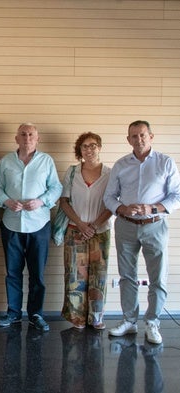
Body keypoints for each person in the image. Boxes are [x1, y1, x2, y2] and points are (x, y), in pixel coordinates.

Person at [104, 120, 180, 345]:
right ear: (128, 140)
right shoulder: (120, 165)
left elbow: (176, 195)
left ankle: (153, 322)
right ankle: (129, 320)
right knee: (127, 276)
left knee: (158, 277)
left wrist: (153, 208)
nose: (139, 139)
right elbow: (108, 197)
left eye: (143, 135)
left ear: (151, 136)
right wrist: (121, 208)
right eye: (134, 136)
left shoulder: (165, 162)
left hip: (155, 225)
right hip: (125, 225)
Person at [0, 122, 62, 332]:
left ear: (37, 138)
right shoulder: (6, 161)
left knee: (37, 274)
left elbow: (56, 187)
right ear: (16, 138)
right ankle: (13, 313)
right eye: (23, 134)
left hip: (39, 224)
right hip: (11, 224)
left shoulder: (46, 161)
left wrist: (41, 201)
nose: (27, 138)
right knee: (13, 272)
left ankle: (35, 314)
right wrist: (6, 201)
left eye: (31, 134)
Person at [59, 132, 112, 330]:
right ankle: (77, 318)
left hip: (100, 231)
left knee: (99, 274)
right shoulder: (72, 172)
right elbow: (63, 201)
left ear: (99, 147)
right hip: (75, 231)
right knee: (75, 274)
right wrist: (80, 224)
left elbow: (112, 204)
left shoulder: (110, 173)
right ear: (79, 150)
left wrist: (94, 226)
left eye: (93, 145)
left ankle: (96, 317)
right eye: (84, 146)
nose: (89, 149)